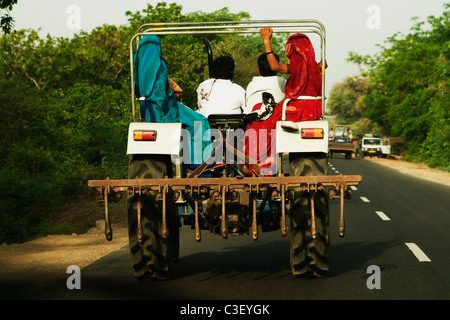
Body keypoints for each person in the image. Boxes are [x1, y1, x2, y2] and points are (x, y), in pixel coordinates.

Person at [257, 27, 330, 277]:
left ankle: (259, 162)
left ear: (293, 51)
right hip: (313, 116)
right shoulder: (316, 68)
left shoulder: (294, 67)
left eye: (290, 52)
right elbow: (322, 65)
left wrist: (267, 41)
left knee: (260, 128)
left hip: (294, 113)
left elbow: (275, 67)